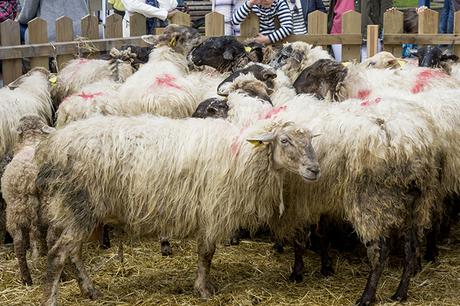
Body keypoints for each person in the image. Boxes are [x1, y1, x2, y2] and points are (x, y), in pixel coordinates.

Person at [18, 0, 88, 43]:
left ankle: (28, 64)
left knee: (18, 27)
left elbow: (26, 16)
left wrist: (18, 19)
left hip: (50, 37)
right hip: (81, 33)